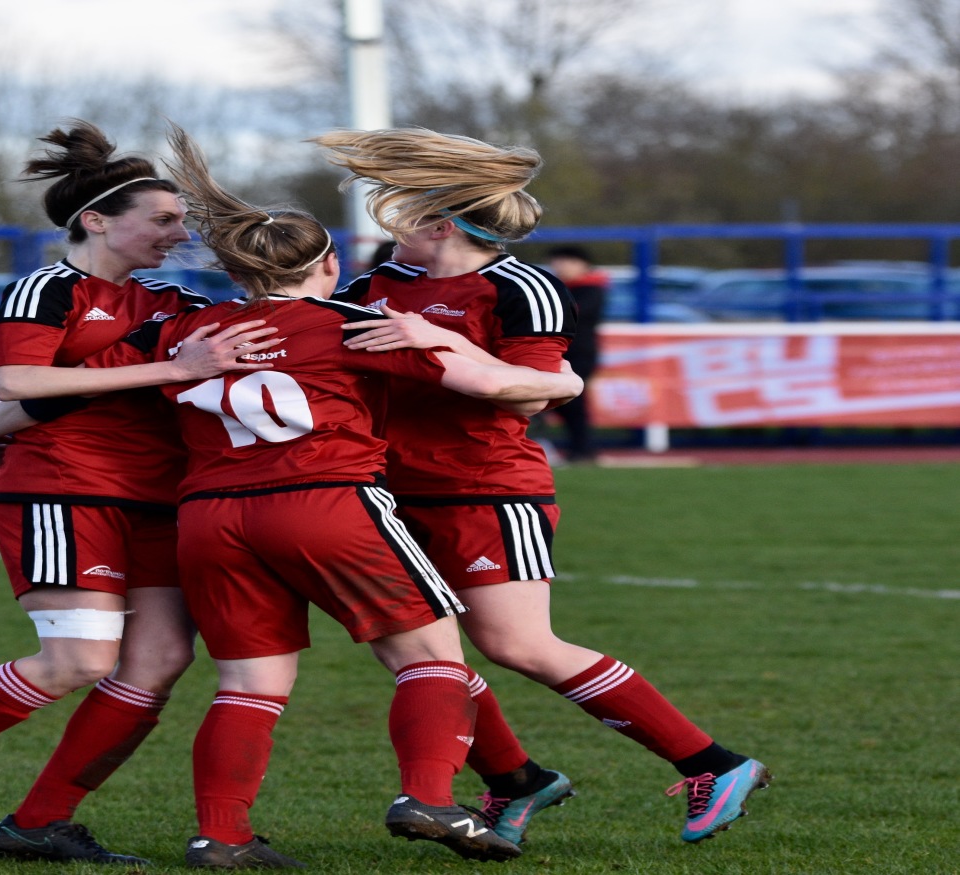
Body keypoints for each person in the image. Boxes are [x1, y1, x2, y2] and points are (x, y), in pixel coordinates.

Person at [72, 123, 582, 868]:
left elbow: (78, 387)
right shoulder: (355, 326)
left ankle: (222, 833)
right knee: (431, 654)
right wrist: (564, 381)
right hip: (328, 503)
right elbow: (495, 388)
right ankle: (429, 795)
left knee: (248, 682)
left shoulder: (188, 329)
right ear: (331, 264)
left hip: (210, 519)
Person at [0, 120, 280, 863]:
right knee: (77, 659)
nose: (179, 233)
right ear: (97, 219)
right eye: (163, 219)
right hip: (65, 491)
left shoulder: (167, 297)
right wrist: (170, 371)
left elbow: (89, 383)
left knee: (160, 661)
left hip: (160, 500)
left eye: (181, 221)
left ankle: (39, 821)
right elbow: (22, 382)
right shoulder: (48, 287)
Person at [314, 126, 770, 846]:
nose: (387, 225)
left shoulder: (522, 286)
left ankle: (714, 763)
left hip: (485, 489)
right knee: (418, 656)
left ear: (439, 224)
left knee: (519, 643)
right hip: (386, 493)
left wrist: (438, 342)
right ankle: (516, 781)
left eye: (399, 212)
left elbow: (530, 393)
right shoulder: (380, 283)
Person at [545, 245, 607, 463]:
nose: (559, 266)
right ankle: (579, 449)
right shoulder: (558, 286)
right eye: (556, 261)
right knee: (564, 404)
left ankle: (583, 450)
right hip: (558, 352)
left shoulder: (591, 289)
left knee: (573, 403)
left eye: (565, 261)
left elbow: (575, 314)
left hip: (579, 353)